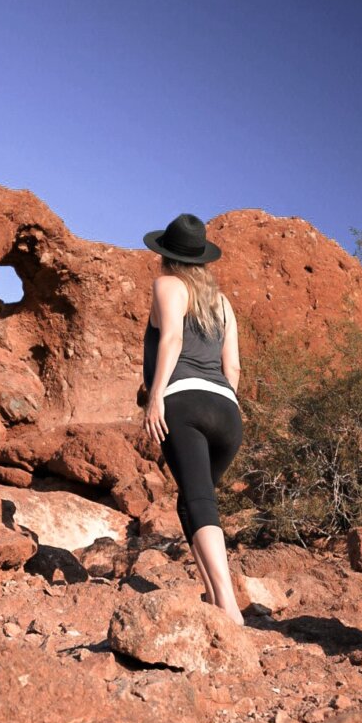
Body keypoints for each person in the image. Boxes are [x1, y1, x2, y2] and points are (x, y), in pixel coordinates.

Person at [141, 213, 245, 625]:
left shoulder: (167, 285)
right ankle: (212, 594)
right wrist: (224, 406)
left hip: (183, 403)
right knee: (193, 500)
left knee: (200, 501)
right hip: (226, 413)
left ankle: (229, 606)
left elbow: (172, 338)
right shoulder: (223, 304)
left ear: (166, 256)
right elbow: (232, 367)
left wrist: (155, 397)